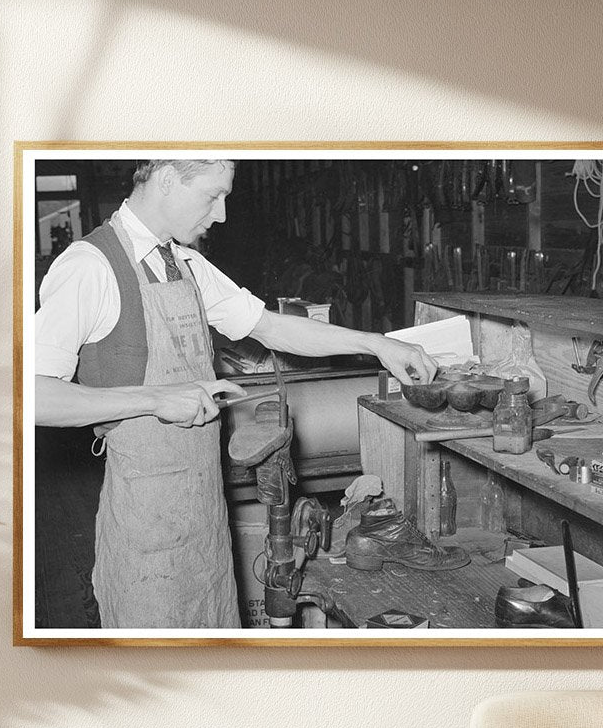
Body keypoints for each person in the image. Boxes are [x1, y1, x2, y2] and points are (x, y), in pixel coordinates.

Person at [34, 158, 436, 630]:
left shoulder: (181, 262)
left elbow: (268, 326)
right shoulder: (90, 266)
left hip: (204, 506)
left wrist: (375, 344)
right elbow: (35, 397)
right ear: (166, 180)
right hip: (146, 513)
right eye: (212, 195)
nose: (222, 214)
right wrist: (156, 399)